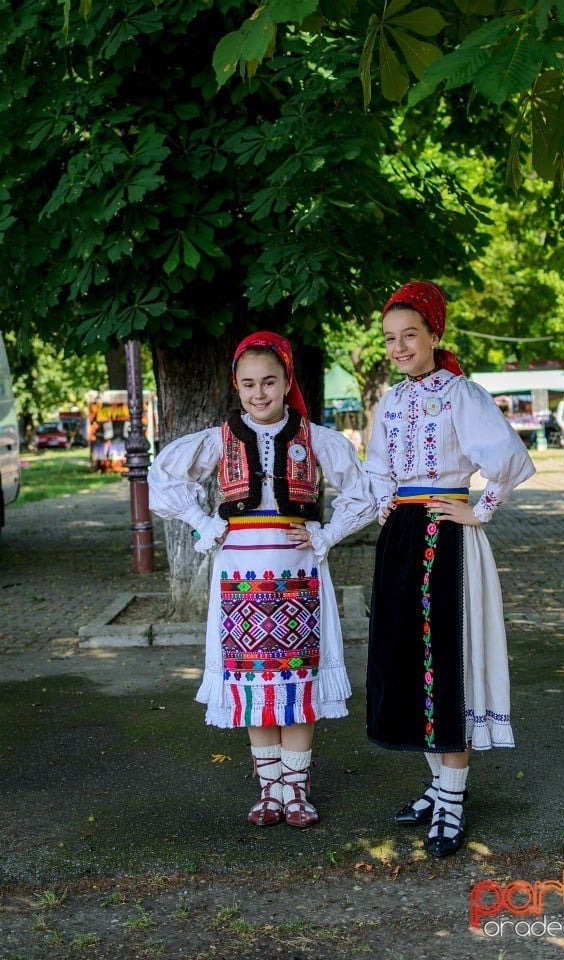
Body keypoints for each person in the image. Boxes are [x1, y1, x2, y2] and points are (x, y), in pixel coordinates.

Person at [148, 332, 375, 829]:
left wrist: (326, 534)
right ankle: (269, 791)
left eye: (270, 382)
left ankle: (297, 790)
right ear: (236, 385)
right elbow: (163, 482)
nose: (259, 393)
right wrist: (206, 525)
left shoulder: (314, 438)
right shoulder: (217, 439)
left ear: (287, 380)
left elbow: (364, 494)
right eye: (248, 383)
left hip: (299, 572)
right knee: (254, 683)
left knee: (296, 682)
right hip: (239, 573)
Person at [363, 281, 535, 858]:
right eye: (390, 338)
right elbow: (380, 468)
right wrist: (385, 507)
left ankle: (454, 798)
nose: (399, 346)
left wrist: (479, 508)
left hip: (448, 535)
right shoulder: (390, 400)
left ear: (434, 334)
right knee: (413, 663)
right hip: (404, 537)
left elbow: (508, 457)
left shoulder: (461, 393)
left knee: (448, 663)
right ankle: (438, 788)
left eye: (409, 335)